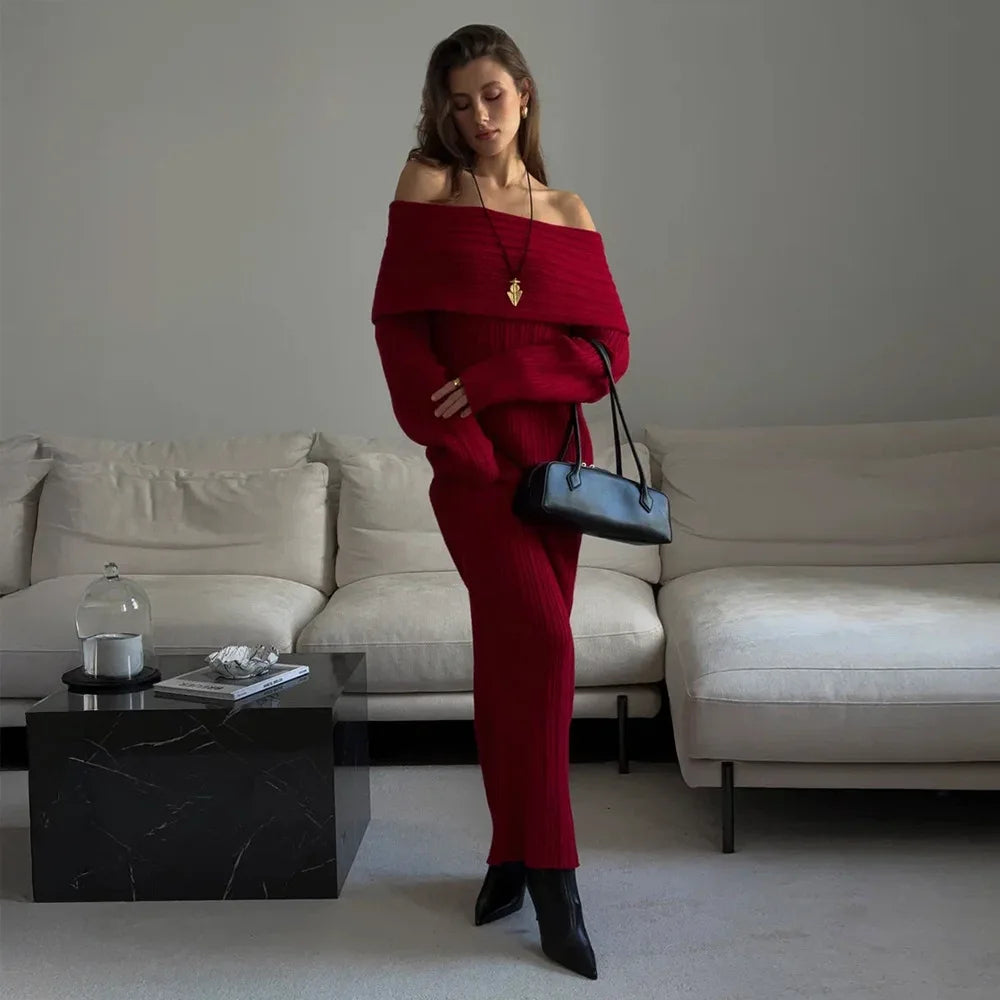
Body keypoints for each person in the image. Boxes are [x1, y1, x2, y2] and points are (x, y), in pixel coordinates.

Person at [370, 24, 629, 981]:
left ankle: (507, 853)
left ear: (524, 93)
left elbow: (608, 354)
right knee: (547, 644)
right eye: (457, 101)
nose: (476, 117)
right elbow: (402, 336)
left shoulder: (566, 210)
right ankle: (556, 876)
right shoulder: (428, 187)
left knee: (515, 657)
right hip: (476, 471)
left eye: (491, 94)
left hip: (556, 464)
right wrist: (463, 438)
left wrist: (501, 376)